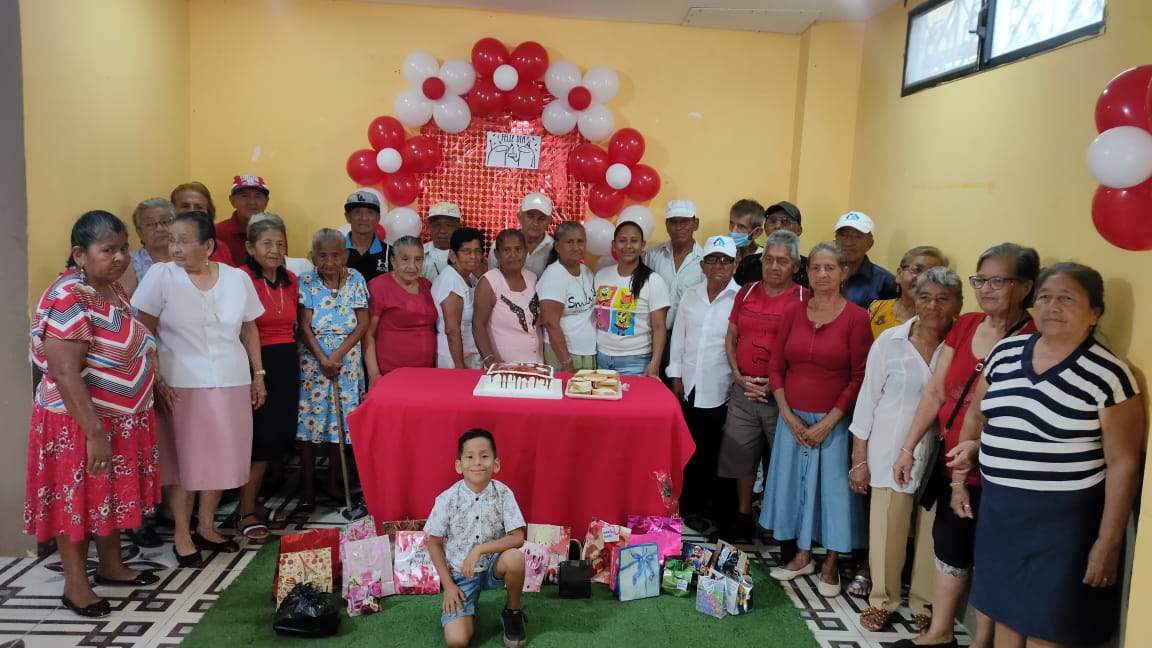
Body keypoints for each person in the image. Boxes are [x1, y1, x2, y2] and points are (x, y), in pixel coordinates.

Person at [945, 263, 1143, 647]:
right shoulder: (1006, 352)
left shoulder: (1108, 375)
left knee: (1046, 627)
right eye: (1045, 297)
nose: (1053, 307)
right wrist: (960, 476)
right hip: (1000, 513)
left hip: (1063, 526)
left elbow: (1124, 463)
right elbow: (977, 417)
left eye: (1067, 299)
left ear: (1094, 313)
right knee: (1005, 617)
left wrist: (1108, 542)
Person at [891, 242, 1040, 648]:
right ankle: (941, 632)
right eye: (980, 280)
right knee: (950, 546)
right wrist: (908, 448)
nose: (986, 289)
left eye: (998, 281)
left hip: (999, 470)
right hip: (951, 460)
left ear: (1026, 286)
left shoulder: (1035, 336)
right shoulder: (968, 324)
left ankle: (982, 641)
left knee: (992, 554)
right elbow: (936, 391)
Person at [26, 210, 162, 618]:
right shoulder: (69, 296)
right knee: (78, 501)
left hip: (118, 420)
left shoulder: (110, 288)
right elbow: (65, 373)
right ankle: (75, 586)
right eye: (108, 250)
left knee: (107, 495)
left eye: (123, 248)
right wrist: (95, 433)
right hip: (78, 424)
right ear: (79, 254)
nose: (119, 257)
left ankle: (111, 565)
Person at [132, 210, 266, 568]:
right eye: (172, 241)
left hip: (231, 380)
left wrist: (258, 374)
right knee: (185, 462)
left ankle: (207, 526)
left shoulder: (237, 278)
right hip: (179, 383)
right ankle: (182, 533)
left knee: (220, 456)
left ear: (208, 246)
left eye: (183, 241)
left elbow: (249, 328)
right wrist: (155, 379)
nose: (174, 248)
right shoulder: (161, 276)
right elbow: (143, 331)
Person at [850, 267, 962, 632]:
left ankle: (923, 603)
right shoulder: (890, 341)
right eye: (925, 297)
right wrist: (859, 459)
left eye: (943, 299)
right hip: (888, 450)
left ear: (958, 305)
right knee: (888, 527)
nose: (932, 306)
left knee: (930, 531)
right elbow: (867, 401)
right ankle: (882, 600)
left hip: (939, 456)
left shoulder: (960, 347)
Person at [761, 242, 872, 597]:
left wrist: (829, 422)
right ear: (806, 273)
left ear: (843, 273)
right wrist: (787, 414)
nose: (822, 274)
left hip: (834, 424)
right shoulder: (793, 312)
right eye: (816, 268)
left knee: (834, 494)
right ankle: (802, 556)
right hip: (792, 421)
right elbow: (776, 367)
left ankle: (831, 563)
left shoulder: (856, 317)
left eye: (830, 268)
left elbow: (859, 377)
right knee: (795, 490)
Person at [721, 230, 807, 540]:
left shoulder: (804, 299)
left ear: (795, 266)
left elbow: (804, 351)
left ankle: (778, 521)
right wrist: (737, 375)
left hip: (782, 396)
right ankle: (744, 515)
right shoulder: (746, 292)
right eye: (768, 259)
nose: (773, 266)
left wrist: (775, 384)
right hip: (744, 390)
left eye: (782, 261)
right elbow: (731, 337)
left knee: (782, 461)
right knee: (741, 455)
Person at [426, 429, 527, 648]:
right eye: (470, 457)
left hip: (494, 566)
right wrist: (449, 586)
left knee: (515, 558)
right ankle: (467, 610)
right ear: (459, 465)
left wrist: (480, 549)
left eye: (485, 456)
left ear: (496, 464)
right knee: (457, 641)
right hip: (461, 575)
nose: (477, 462)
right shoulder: (447, 499)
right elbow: (433, 543)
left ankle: (512, 612)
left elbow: (518, 537)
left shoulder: (504, 494)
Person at [667, 236, 741, 530]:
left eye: (725, 260)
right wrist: (675, 376)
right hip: (688, 384)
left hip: (721, 388)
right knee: (689, 448)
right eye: (712, 259)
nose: (718, 265)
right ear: (703, 265)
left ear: (734, 265)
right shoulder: (691, 295)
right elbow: (678, 338)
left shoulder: (741, 299)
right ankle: (689, 505)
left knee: (714, 451)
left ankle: (712, 510)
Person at [296, 229, 370, 511]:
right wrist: (323, 359)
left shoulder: (356, 278)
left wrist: (337, 355)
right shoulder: (306, 281)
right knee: (309, 424)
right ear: (314, 256)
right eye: (322, 255)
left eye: (336, 255)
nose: (329, 262)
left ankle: (332, 482)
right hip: (313, 361)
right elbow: (304, 327)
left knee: (340, 424)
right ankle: (307, 490)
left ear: (345, 255)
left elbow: (362, 324)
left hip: (346, 361)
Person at [237, 213, 298, 541]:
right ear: (250, 247)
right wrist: (258, 374)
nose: (274, 250)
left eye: (280, 244)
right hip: (256, 362)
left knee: (277, 438)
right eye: (267, 244)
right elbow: (245, 329)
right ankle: (245, 511)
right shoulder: (242, 278)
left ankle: (256, 503)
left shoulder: (291, 280)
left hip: (287, 360)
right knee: (259, 441)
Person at [594, 220, 670, 377]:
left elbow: (659, 327)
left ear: (642, 245)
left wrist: (655, 363)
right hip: (601, 358)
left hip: (635, 361)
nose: (628, 246)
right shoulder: (601, 275)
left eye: (634, 241)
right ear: (613, 244)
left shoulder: (653, 281)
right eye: (622, 240)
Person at [365, 236, 437, 385]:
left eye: (418, 260)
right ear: (393, 261)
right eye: (405, 259)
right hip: (390, 373)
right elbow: (367, 334)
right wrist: (374, 374)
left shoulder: (427, 286)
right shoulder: (379, 286)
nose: (412, 266)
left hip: (427, 372)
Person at [474, 229, 542, 365]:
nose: (513, 255)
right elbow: (478, 325)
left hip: (536, 364)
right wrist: (489, 359)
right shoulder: (490, 282)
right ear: (497, 254)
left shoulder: (532, 278)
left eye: (518, 249)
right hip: (503, 366)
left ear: (526, 251)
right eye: (506, 250)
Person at [537, 221, 596, 372]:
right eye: (570, 242)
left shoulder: (587, 271)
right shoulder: (554, 274)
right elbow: (550, 323)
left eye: (580, 241)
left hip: (587, 351)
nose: (576, 247)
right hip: (563, 355)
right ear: (557, 246)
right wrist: (566, 362)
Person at [642, 199, 704, 330]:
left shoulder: (706, 261)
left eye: (685, 221)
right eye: (673, 222)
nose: (678, 227)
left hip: (687, 334)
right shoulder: (651, 255)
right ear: (666, 225)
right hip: (653, 332)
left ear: (696, 224)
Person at [432, 228, 485, 369]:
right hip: (453, 360)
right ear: (452, 255)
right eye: (466, 251)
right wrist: (460, 368)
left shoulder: (470, 277)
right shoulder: (450, 281)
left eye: (477, 251)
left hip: (470, 356)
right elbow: (451, 330)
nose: (473, 256)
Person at [867, 246, 948, 337]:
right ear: (899, 274)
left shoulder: (944, 322)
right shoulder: (876, 308)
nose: (922, 279)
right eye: (917, 270)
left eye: (932, 274)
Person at [734, 200, 806, 288]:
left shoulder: (809, 268)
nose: (777, 226)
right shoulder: (748, 264)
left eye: (785, 221)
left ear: (798, 230)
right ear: (765, 227)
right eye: (772, 220)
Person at [834, 211, 897, 308]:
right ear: (835, 240)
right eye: (843, 235)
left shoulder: (885, 282)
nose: (848, 242)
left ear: (870, 243)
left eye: (857, 236)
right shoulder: (821, 273)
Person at [488, 192, 554, 278]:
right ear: (519, 217)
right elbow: (491, 278)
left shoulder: (554, 248)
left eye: (542, 218)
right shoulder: (502, 244)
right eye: (530, 216)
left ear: (549, 221)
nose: (535, 223)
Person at [119, 198, 175, 296]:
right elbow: (121, 300)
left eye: (165, 222)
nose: (159, 229)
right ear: (139, 231)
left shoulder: (189, 256)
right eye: (150, 224)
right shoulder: (131, 262)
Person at [170, 181, 234, 266]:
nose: (192, 211)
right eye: (185, 206)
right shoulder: (164, 246)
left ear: (208, 212)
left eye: (198, 207)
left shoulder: (220, 249)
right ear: (172, 211)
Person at [214, 175, 270, 265]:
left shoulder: (274, 232)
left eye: (258, 196)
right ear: (232, 201)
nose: (252, 202)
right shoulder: (217, 232)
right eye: (244, 196)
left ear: (266, 201)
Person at [343, 190, 393, 283]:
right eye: (357, 212)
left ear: (378, 218)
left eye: (370, 212)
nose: (364, 218)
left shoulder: (391, 254)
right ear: (347, 217)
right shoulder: (334, 252)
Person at [422, 201, 462, 283]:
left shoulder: (469, 255)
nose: (442, 231)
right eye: (437, 225)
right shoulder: (419, 253)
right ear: (429, 227)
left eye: (448, 225)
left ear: (458, 227)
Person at [726, 198, 765, 265]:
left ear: (757, 232)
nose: (733, 230)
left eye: (741, 226)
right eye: (731, 223)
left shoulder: (765, 259)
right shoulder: (723, 253)